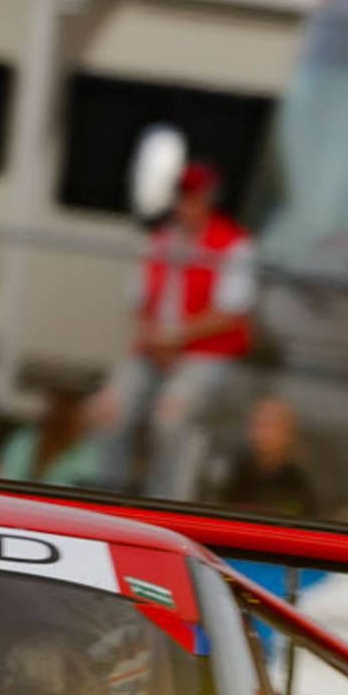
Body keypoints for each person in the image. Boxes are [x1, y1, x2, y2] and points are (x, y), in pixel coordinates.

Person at [91, 161, 256, 498]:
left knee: (172, 416)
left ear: (208, 199)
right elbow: (136, 303)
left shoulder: (234, 245)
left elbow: (230, 313)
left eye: (193, 197)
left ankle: (165, 504)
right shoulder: (160, 240)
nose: (185, 205)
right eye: (181, 196)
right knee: (109, 408)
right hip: (153, 350)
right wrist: (153, 337)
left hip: (205, 356)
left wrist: (175, 338)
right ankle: (109, 496)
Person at [210, 398, 318, 519]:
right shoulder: (235, 473)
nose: (262, 433)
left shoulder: (298, 484)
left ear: (288, 433)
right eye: (258, 425)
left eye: (271, 426)